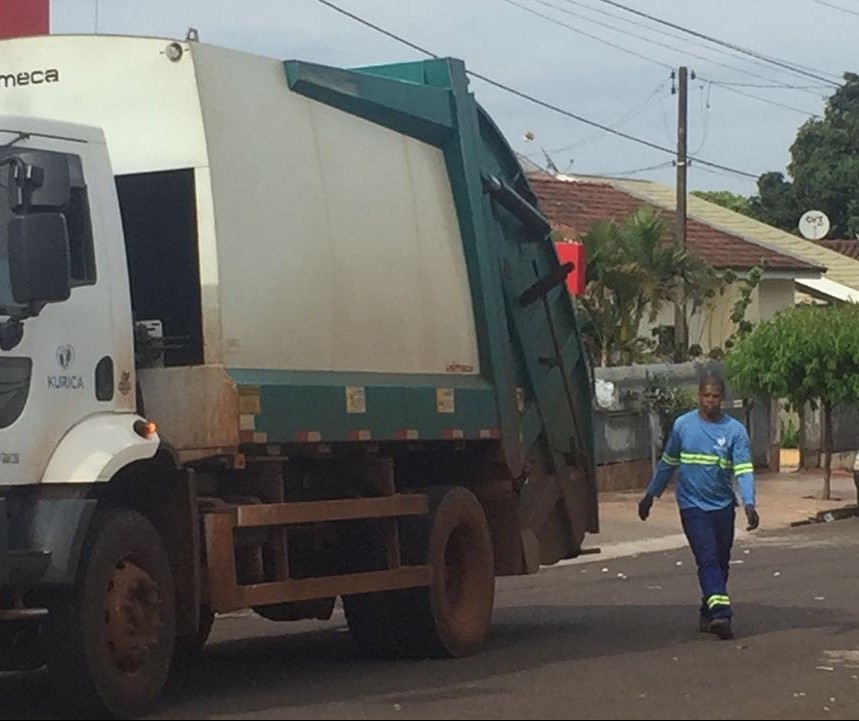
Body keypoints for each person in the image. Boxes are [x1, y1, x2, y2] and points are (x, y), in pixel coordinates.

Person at [638, 373, 760, 640]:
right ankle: (722, 614)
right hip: (692, 506)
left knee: (721, 561)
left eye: (715, 396)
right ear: (699, 396)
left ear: (722, 399)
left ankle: (708, 611)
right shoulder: (683, 426)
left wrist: (749, 504)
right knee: (707, 558)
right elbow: (668, 463)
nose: (710, 401)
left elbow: (743, 470)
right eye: (706, 395)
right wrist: (650, 495)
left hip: (723, 506)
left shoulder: (735, 431)